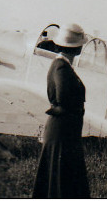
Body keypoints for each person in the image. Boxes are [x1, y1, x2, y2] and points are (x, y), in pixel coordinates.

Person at [33, 23, 90, 199]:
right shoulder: (61, 67)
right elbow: (64, 98)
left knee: (62, 178)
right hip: (63, 131)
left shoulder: (62, 65)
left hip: (65, 130)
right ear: (77, 47)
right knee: (62, 180)